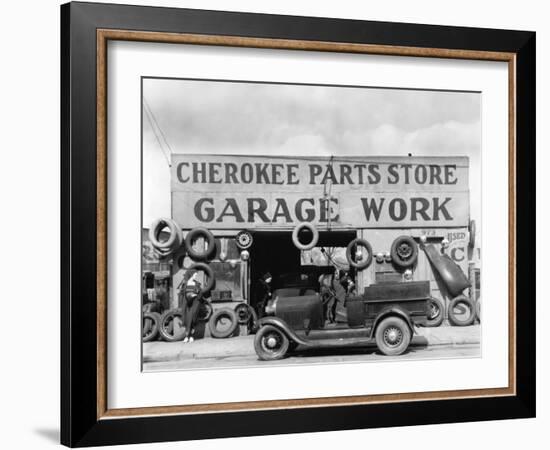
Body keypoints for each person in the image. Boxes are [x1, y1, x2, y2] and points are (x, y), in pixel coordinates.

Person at [181, 273, 203, 343]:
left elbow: (200, 293)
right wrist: (188, 295)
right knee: (187, 318)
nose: (195, 276)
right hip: (187, 302)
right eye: (194, 275)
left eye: (196, 275)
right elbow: (182, 293)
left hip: (195, 302)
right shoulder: (185, 284)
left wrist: (195, 295)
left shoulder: (197, 284)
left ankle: (189, 336)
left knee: (192, 317)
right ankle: (188, 336)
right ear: (190, 275)